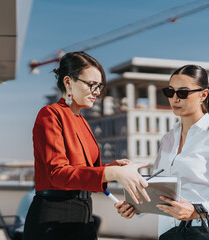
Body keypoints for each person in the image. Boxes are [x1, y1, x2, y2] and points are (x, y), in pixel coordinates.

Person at [23, 51, 151, 240]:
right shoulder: (50, 114)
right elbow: (57, 173)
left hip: (83, 217)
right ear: (68, 82)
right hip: (53, 220)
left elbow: (86, 172)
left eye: (99, 86)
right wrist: (112, 173)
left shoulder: (82, 121)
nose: (97, 92)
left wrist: (113, 168)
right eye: (91, 85)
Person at [115, 64, 209, 236]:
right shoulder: (168, 139)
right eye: (170, 92)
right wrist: (135, 207)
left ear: (203, 94)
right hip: (169, 234)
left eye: (183, 93)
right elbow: (159, 192)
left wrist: (197, 210)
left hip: (206, 233)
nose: (175, 99)